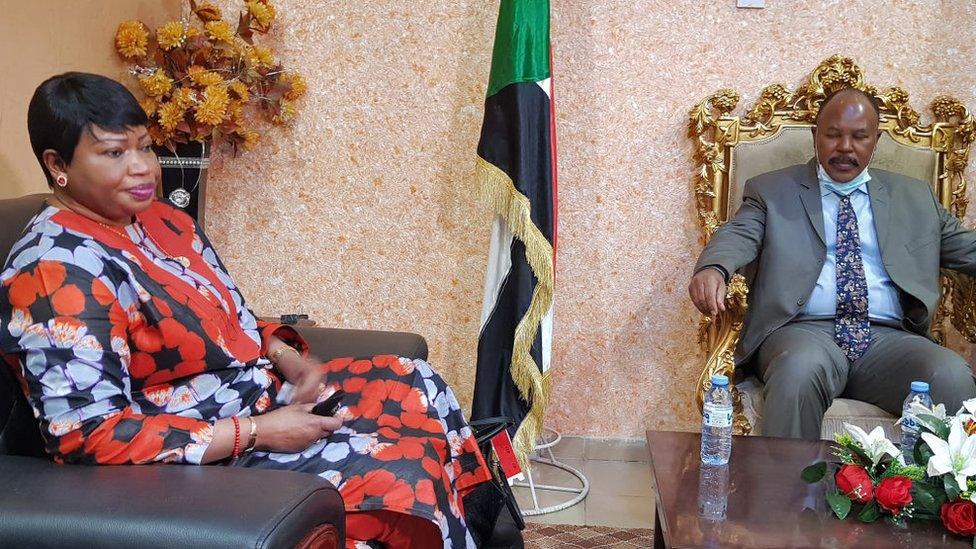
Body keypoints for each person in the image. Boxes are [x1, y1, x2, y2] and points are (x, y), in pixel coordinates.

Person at [0, 72, 491, 548]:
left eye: (145, 146)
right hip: (197, 455)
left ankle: (484, 532)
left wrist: (284, 355)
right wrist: (256, 433)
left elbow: (225, 316)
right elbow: (89, 434)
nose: (144, 168)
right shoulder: (54, 270)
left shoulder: (164, 221)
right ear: (57, 164)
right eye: (114, 153)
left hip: (260, 398)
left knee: (414, 380)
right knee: (403, 471)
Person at [689, 87, 976, 440]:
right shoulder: (772, 191)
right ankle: (787, 494)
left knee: (950, 374)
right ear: (815, 136)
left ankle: (941, 497)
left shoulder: (914, 197)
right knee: (798, 370)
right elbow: (737, 235)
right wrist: (714, 268)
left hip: (889, 341)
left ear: (876, 140)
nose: (845, 147)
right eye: (833, 134)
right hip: (804, 333)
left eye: (859, 137)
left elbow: (967, 249)